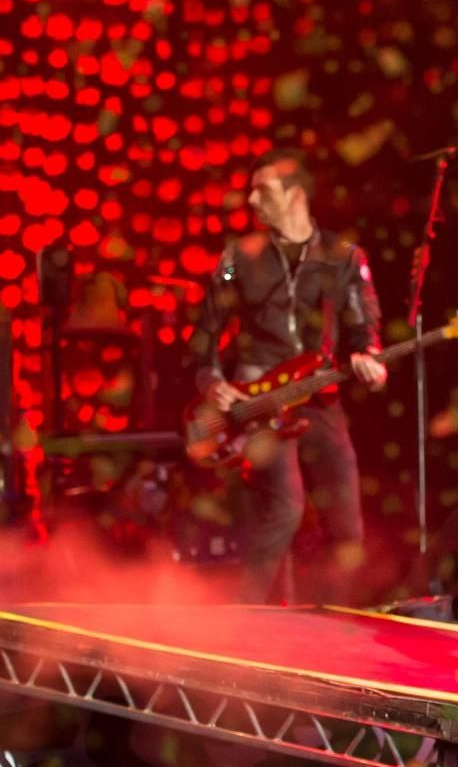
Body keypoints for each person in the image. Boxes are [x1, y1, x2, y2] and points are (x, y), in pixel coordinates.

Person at [186, 148, 386, 603]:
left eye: (263, 190)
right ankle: (244, 618)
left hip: (319, 397)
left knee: (347, 526)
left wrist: (369, 359)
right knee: (285, 508)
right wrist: (211, 381)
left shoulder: (344, 257)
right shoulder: (237, 258)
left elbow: (363, 329)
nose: (251, 200)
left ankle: (334, 621)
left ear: (296, 196)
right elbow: (204, 333)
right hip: (258, 404)